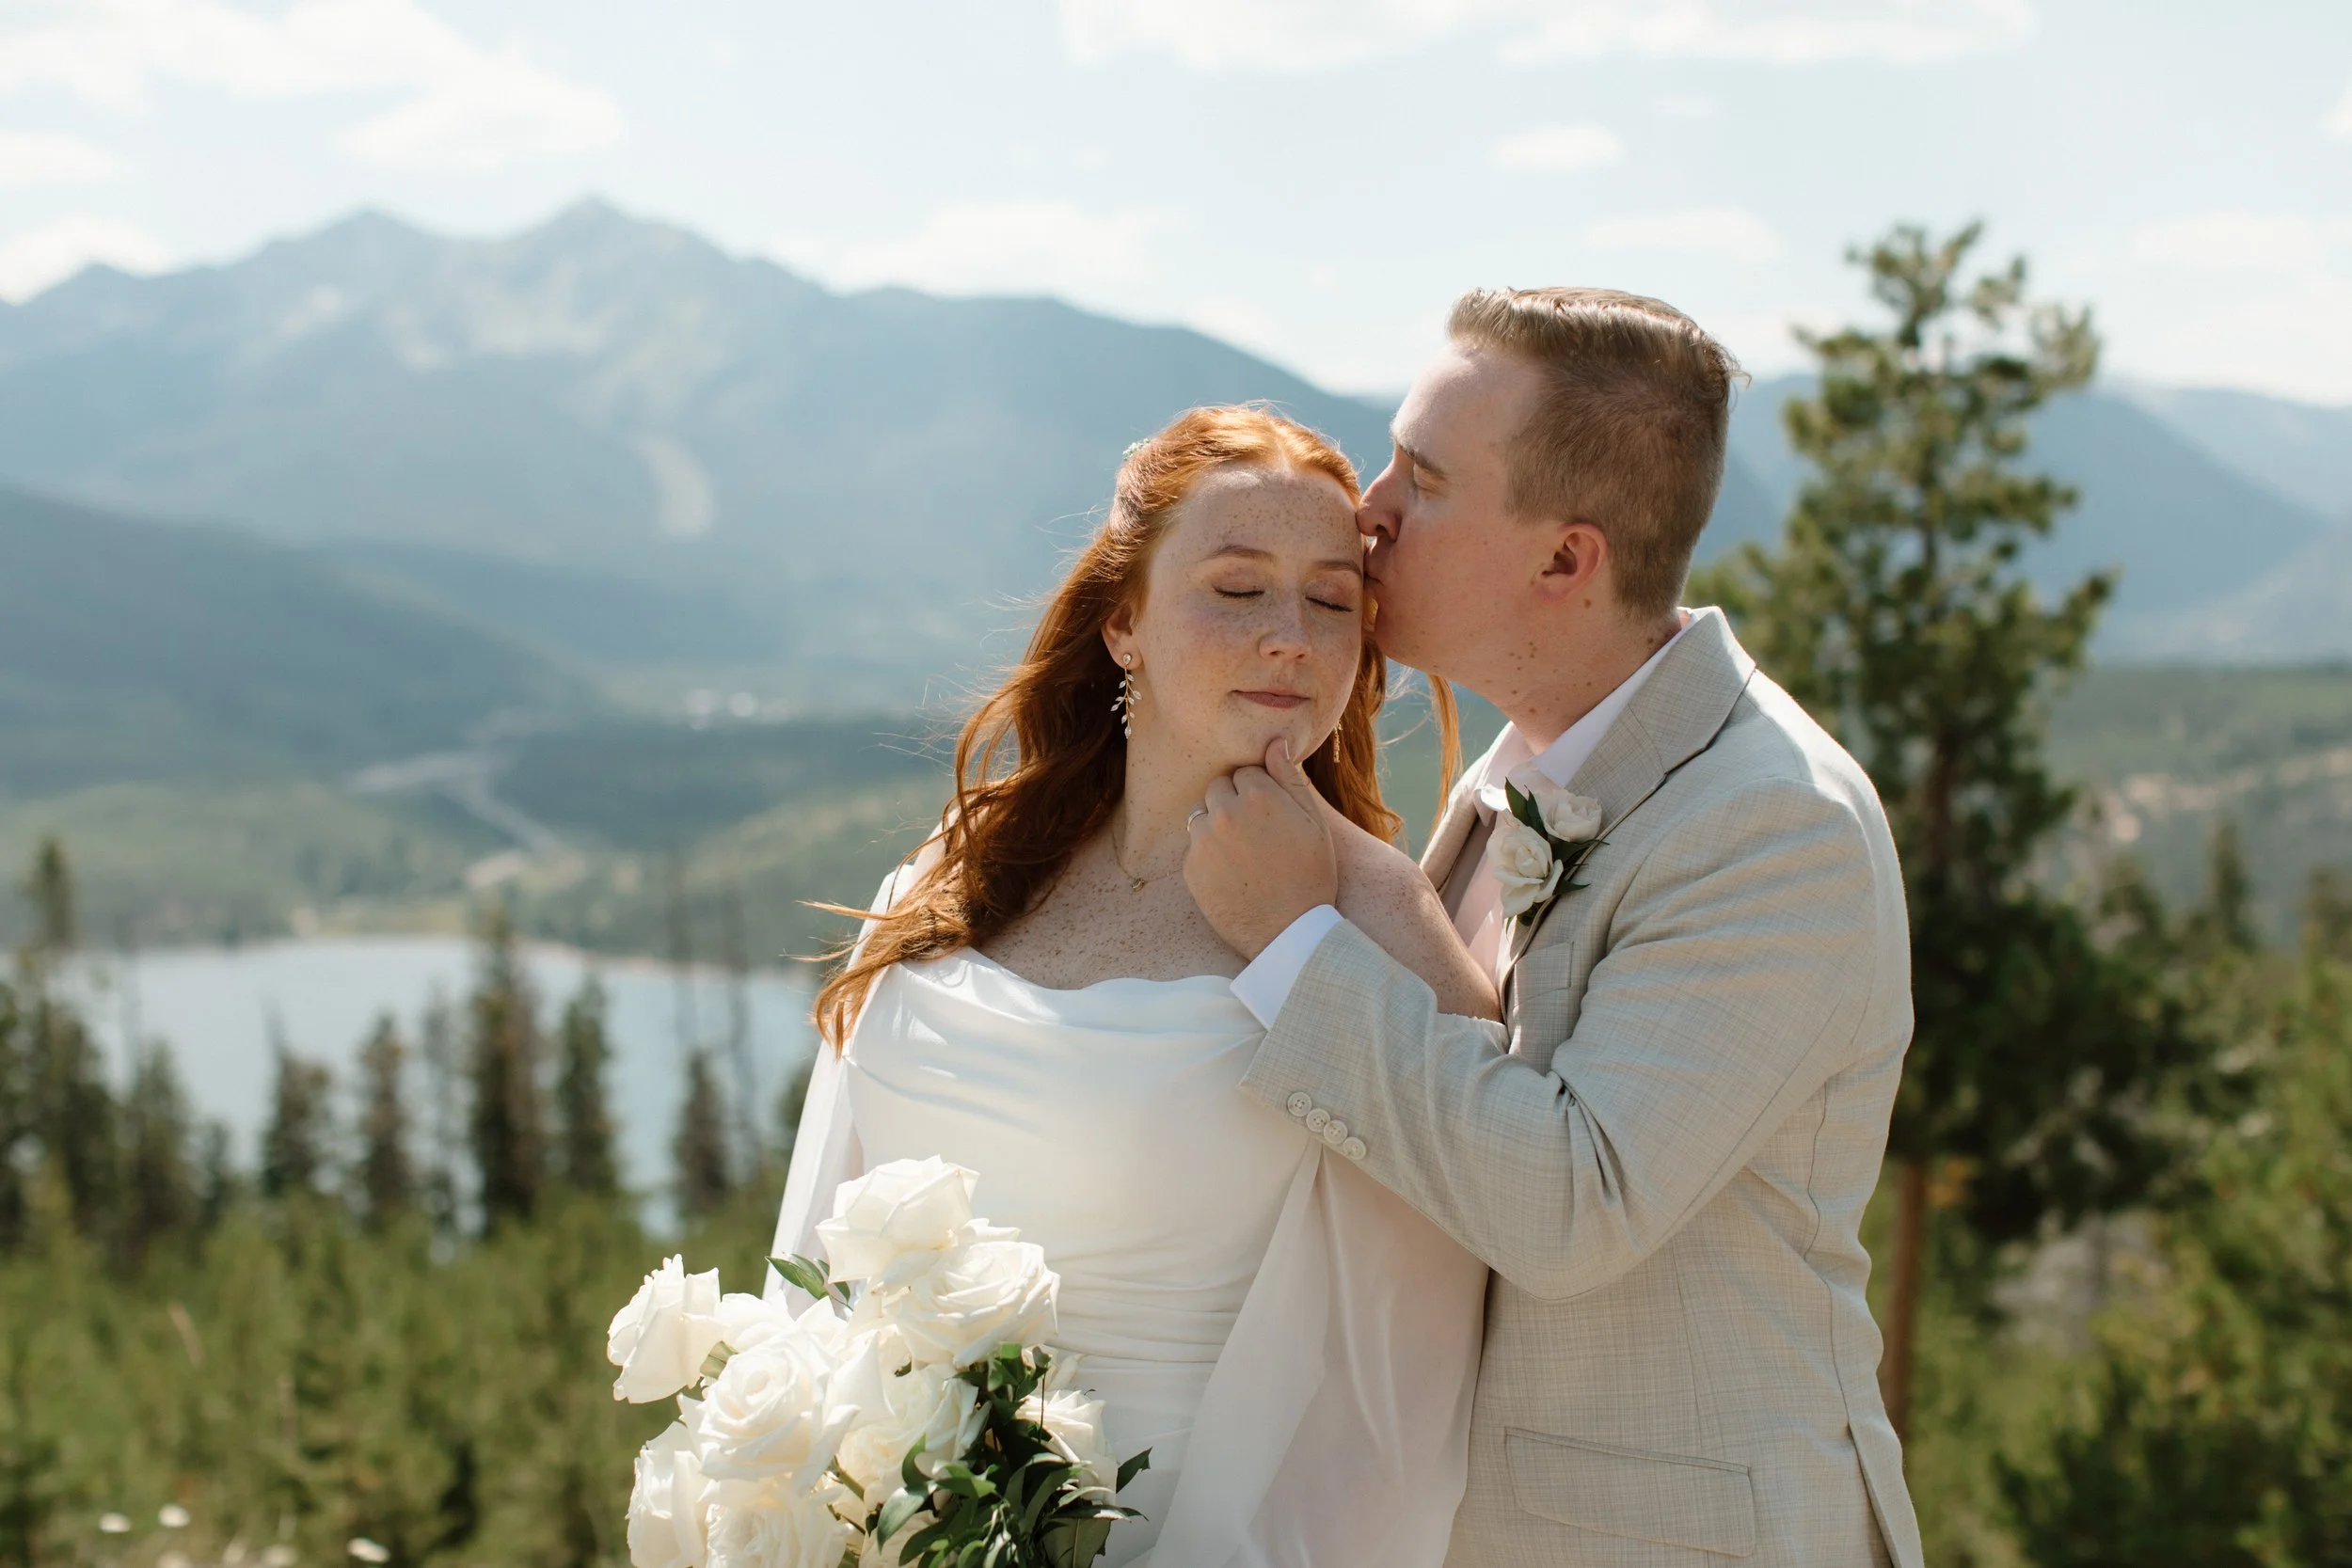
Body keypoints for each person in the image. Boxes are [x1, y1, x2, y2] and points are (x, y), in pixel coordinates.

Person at [1183, 288, 1927, 1568]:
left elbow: (1574, 1201)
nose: (1370, 509)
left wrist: (1297, 944)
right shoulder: (1516, 773)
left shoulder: (1773, 827)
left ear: (1566, 559)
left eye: (1422, 475)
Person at [774, 405, 1495, 1567]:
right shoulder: (962, 865)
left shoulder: (1372, 916)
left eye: (1330, 598)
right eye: (1237, 586)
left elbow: (1417, 1355)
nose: (1292, 638)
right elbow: (820, 1239)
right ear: (1123, 623)